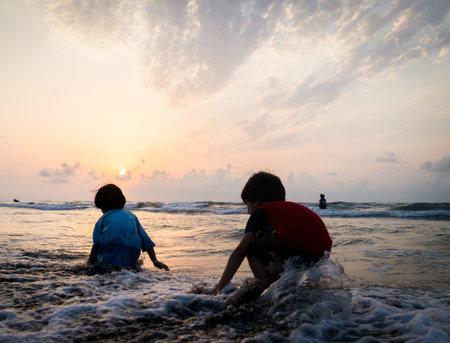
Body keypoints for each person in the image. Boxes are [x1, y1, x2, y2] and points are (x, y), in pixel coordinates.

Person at [213, 171, 332, 294]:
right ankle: (285, 286)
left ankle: (265, 288)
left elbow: (239, 252)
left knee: (251, 248)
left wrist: (220, 287)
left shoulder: (261, 210)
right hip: (322, 251)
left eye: (247, 205)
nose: (248, 212)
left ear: (256, 201)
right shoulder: (286, 210)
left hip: (295, 245)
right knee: (267, 243)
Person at [87, 184, 169, 271]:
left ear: (101, 205)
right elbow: (146, 241)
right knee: (128, 269)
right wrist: (155, 261)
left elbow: (96, 244)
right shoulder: (131, 216)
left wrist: (89, 265)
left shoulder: (102, 219)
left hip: (110, 248)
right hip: (132, 248)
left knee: (106, 269)